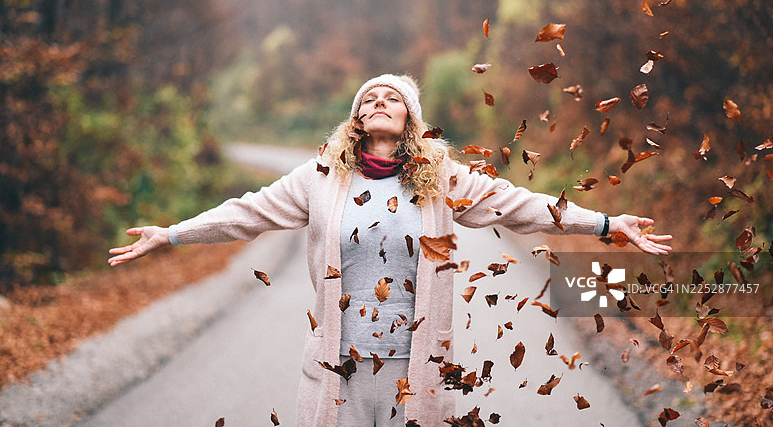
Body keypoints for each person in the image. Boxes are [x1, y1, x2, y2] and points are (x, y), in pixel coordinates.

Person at [108, 74, 672, 426]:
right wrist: (174, 232)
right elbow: (247, 212)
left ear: (410, 120)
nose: (379, 102)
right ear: (356, 120)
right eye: (369, 98)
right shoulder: (319, 178)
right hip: (339, 368)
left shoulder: (440, 178)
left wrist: (603, 223)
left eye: (392, 98)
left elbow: (520, 204)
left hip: (417, 367)